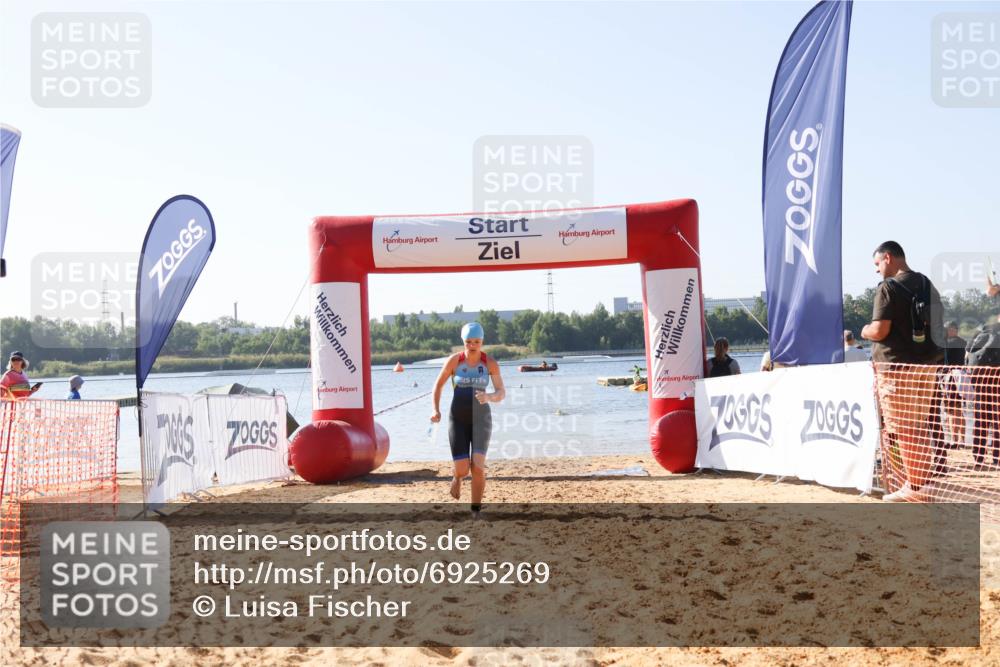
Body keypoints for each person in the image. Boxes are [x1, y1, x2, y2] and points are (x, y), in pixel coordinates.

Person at [861, 241, 944, 502]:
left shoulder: (888, 288)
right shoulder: (925, 283)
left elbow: (880, 330)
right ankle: (921, 483)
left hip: (896, 368)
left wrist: (864, 330)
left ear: (888, 257)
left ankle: (915, 486)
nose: (877, 270)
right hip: (927, 365)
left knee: (903, 427)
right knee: (918, 425)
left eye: (877, 264)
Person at [431, 322, 506, 518]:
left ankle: (475, 510)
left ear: (482, 342)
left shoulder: (490, 363)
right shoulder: (454, 362)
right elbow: (438, 386)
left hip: (482, 419)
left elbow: (501, 392)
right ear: (463, 341)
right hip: (458, 419)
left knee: (478, 467)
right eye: (468, 341)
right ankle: (457, 476)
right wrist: (435, 410)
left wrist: (489, 396)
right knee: (463, 469)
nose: (472, 345)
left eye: (477, 341)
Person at [966, 314, 1000, 469]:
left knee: (981, 420)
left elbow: (967, 354)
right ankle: (997, 458)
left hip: (980, 381)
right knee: (997, 422)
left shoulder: (979, 334)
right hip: (996, 381)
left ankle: (978, 458)